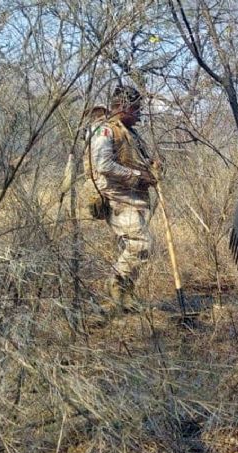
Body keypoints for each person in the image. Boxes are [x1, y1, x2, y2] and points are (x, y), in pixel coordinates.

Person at [84, 85, 158, 314]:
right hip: (114, 196)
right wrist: (137, 177)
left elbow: (136, 160)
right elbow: (103, 165)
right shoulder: (103, 130)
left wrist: (152, 168)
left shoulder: (129, 132)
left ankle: (126, 296)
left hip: (132, 197)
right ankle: (116, 284)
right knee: (140, 243)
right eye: (136, 110)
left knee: (139, 246)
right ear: (123, 107)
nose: (139, 115)